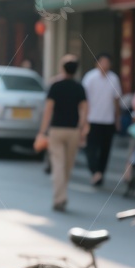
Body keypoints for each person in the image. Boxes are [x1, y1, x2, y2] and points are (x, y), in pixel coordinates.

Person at [35, 55, 88, 212]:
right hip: (73, 130)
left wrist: (42, 131)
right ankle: (61, 196)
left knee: (58, 164)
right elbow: (84, 110)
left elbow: (48, 110)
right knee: (68, 165)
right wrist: (82, 127)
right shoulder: (79, 87)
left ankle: (59, 197)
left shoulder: (55, 86)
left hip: (56, 130)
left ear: (62, 68)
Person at [82, 53, 121, 186]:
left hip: (108, 120)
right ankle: (95, 171)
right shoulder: (90, 77)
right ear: (96, 63)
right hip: (92, 119)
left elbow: (117, 100)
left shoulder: (114, 78)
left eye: (107, 62)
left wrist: (117, 119)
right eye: (102, 62)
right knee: (91, 148)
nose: (104, 65)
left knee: (105, 149)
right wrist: (83, 119)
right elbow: (84, 100)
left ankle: (100, 173)